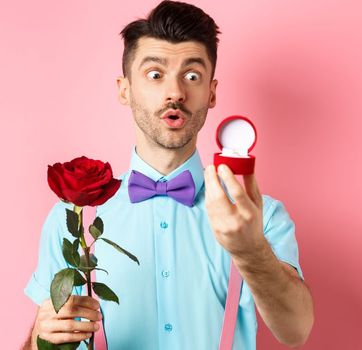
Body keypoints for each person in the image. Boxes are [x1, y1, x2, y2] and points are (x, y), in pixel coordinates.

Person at [22, 1, 314, 349]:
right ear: (124, 89)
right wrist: (43, 337)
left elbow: (296, 331)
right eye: (155, 74)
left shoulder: (261, 217)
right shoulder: (74, 219)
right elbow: (42, 341)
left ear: (211, 93)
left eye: (192, 76)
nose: (175, 92)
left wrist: (250, 250)